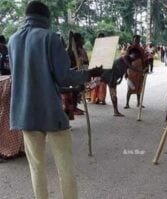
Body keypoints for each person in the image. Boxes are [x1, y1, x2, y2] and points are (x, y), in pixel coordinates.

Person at [8, 2, 103, 198]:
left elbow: (26, 76)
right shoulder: (50, 38)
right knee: (65, 167)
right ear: (46, 18)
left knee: (36, 168)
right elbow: (63, 76)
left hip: (25, 114)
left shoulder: (12, 41)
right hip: (51, 113)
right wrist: (88, 74)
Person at [100, 47, 143, 116]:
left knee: (113, 93)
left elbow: (125, 69)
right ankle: (116, 111)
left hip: (113, 76)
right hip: (109, 74)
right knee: (113, 94)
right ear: (132, 54)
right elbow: (129, 66)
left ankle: (116, 111)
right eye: (136, 56)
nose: (135, 58)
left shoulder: (130, 60)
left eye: (137, 57)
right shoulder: (125, 57)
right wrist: (140, 71)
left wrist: (122, 77)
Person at [124, 35, 147, 109]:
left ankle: (138, 103)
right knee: (130, 87)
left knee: (139, 87)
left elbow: (144, 60)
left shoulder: (141, 49)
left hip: (140, 71)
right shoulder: (129, 48)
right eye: (135, 39)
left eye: (138, 39)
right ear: (133, 40)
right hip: (131, 71)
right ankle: (127, 103)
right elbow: (126, 60)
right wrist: (125, 72)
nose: (137, 41)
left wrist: (144, 70)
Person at [90, 33, 107, 105]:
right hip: (96, 67)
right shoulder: (95, 48)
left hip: (104, 67)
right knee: (96, 82)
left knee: (103, 82)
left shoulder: (106, 48)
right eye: (100, 38)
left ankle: (102, 99)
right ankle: (96, 98)